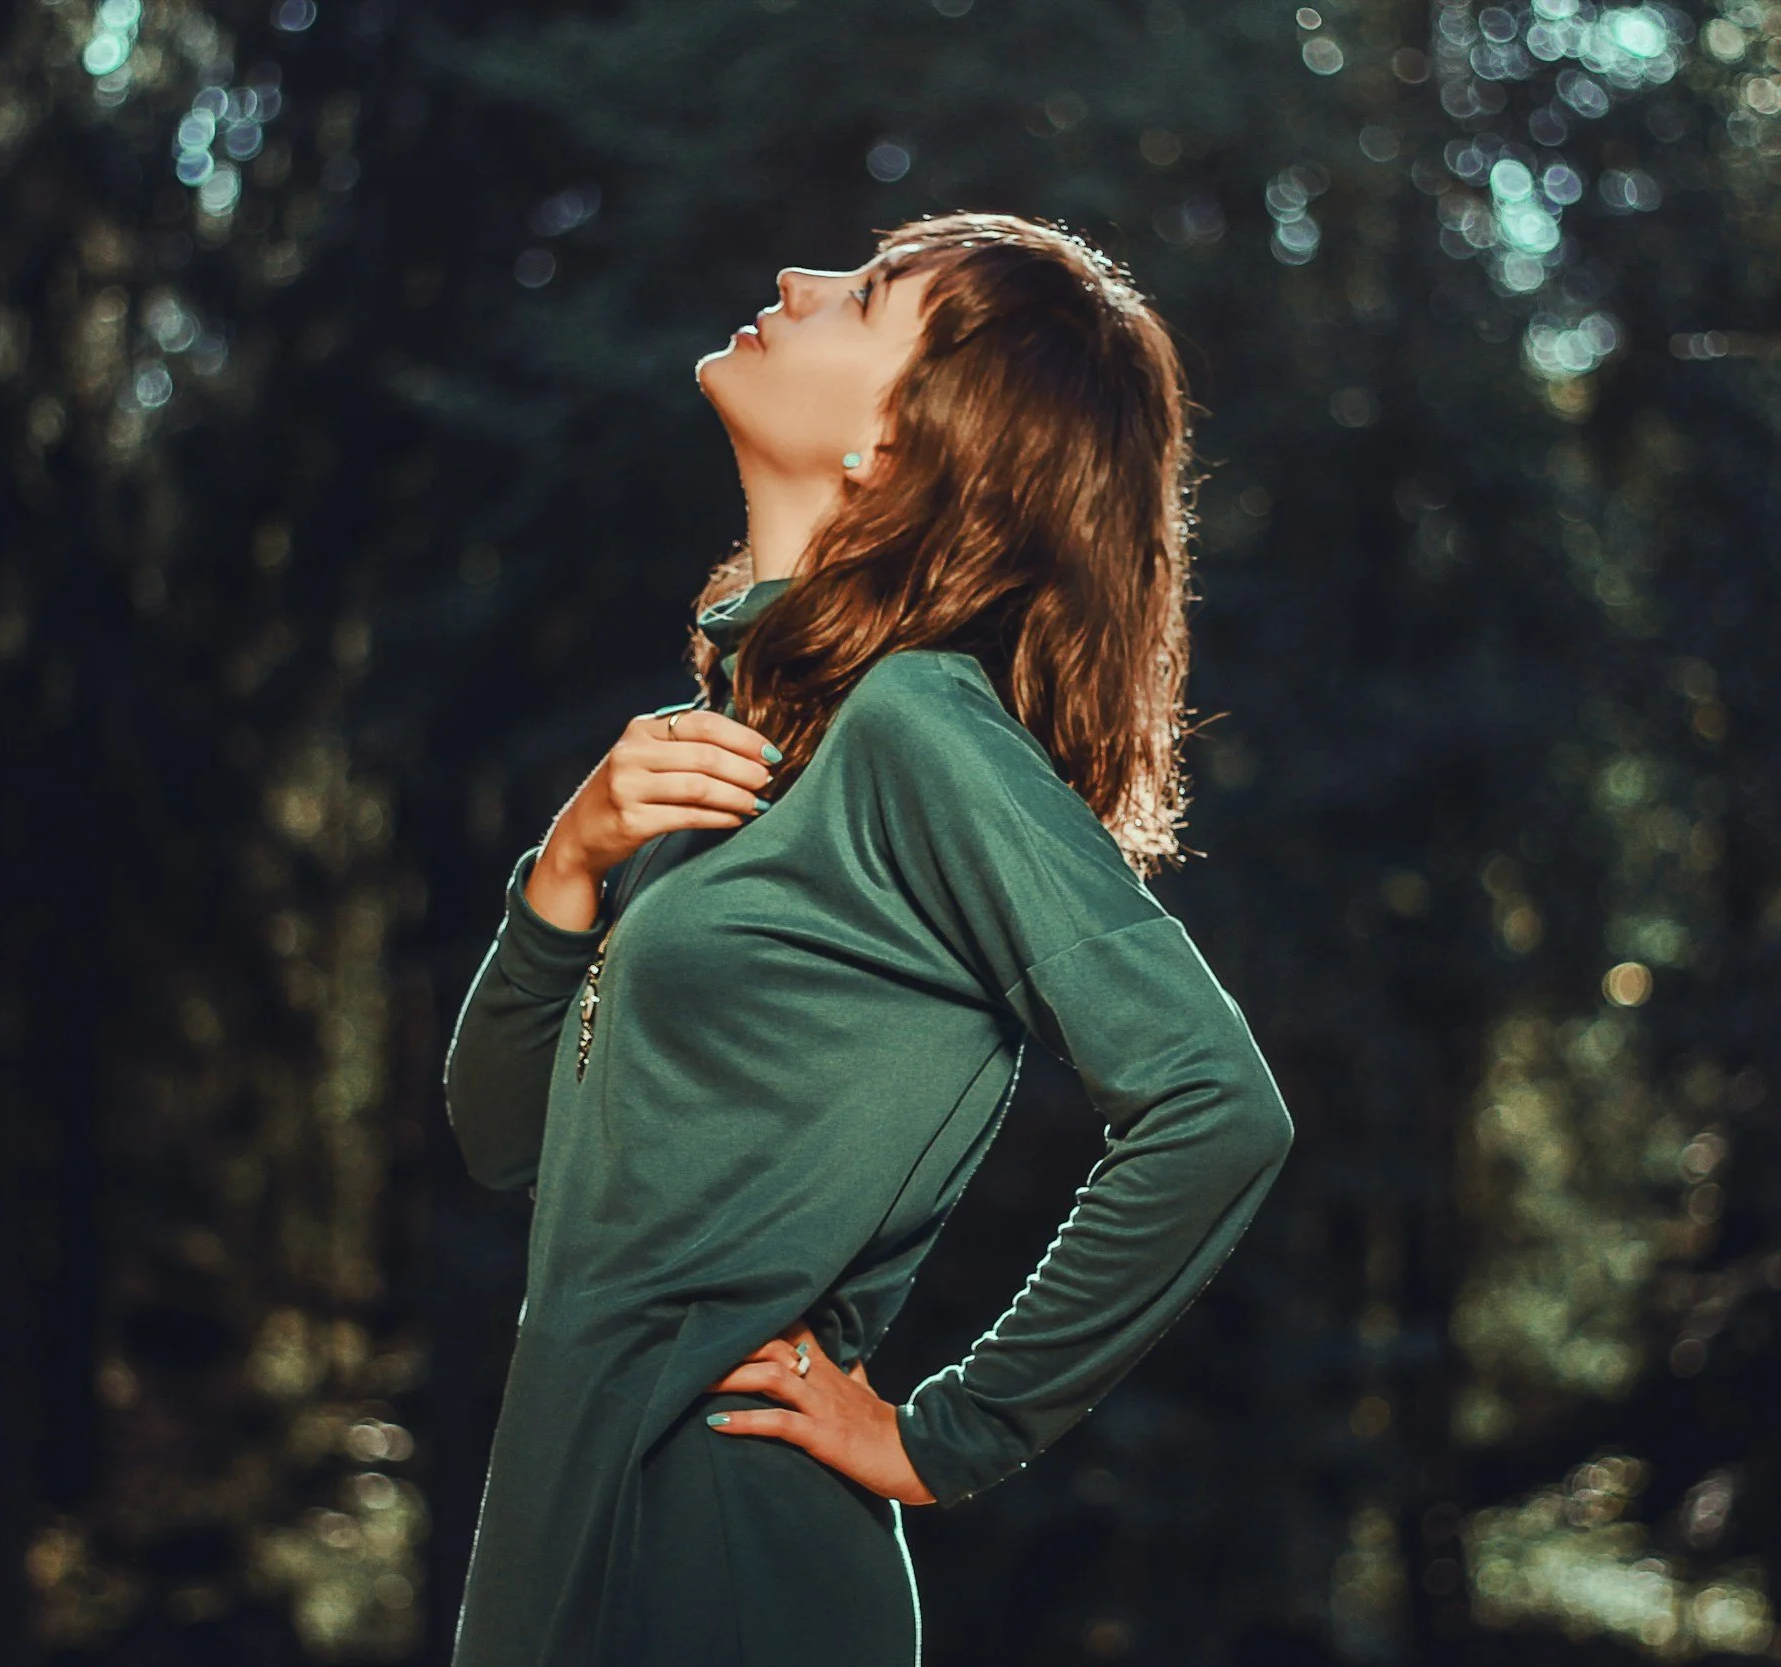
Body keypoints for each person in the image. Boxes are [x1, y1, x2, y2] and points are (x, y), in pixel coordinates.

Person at [442, 211, 1296, 1667]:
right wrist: (569, 864)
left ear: (899, 445)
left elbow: (1218, 1107)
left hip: (731, 1549)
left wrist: (948, 1431)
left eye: (867, 292)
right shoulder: (731, 740)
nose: (794, 279)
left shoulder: (918, 726)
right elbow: (504, 1139)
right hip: (557, 1527)